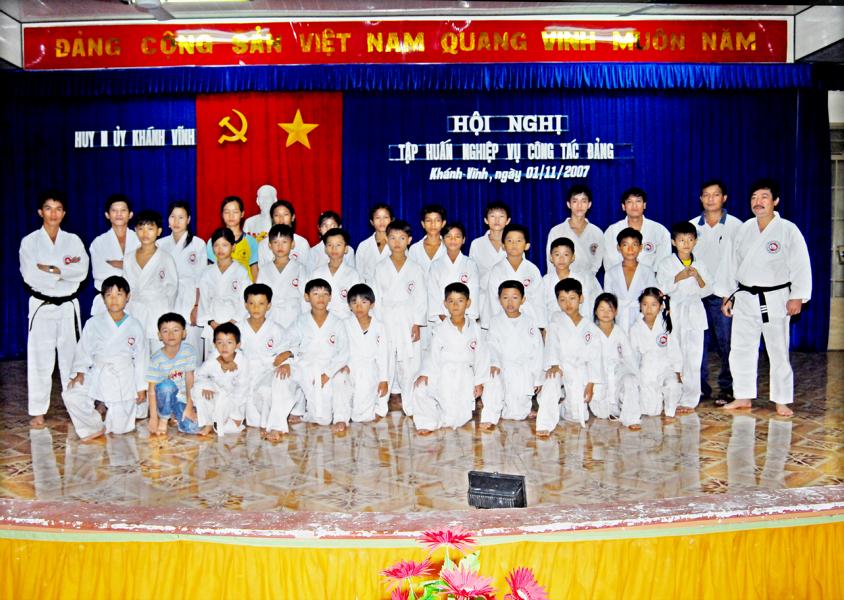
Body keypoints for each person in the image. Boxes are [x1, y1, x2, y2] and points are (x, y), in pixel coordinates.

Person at [715, 179, 812, 417]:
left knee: (778, 350)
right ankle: (743, 396)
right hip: (745, 297)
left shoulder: (788, 230)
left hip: (776, 298)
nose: (758, 202)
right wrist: (727, 295)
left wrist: (797, 296)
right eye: (754, 197)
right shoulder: (743, 229)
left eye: (764, 197)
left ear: (775, 201)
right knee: (740, 348)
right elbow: (730, 264)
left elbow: (800, 264)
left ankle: (782, 400)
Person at [20, 190, 89, 428]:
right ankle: (38, 411)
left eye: (58, 209)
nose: (53, 213)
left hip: (68, 305)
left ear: (64, 213)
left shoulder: (73, 241)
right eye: (48, 208)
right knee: (40, 359)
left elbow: (81, 273)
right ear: (40, 212)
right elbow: (30, 276)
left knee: (72, 359)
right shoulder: (30, 242)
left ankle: (75, 406)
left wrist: (51, 269)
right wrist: (62, 274)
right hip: (42, 305)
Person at [63, 276, 148, 441]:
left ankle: (114, 419)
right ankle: (92, 425)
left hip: (123, 376)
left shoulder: (135, 325)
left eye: (119, 294)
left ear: (128, 297)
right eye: (109, 295)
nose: (114, 299)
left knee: (119, 430)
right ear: (103, 298)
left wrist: (141, 387)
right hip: (98, 371)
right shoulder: (93, 323)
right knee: (72, 394)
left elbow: (141, 359)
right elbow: (83, 349)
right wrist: (79, 371)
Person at [689, 179, 742, 403]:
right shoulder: (692, 226)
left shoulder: (737, 226)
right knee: (696, 344)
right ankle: (700, 387)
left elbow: (741, 262)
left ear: (724, 198)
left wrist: (732, 294)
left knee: (727, 344)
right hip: (696, 296)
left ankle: (728, 388)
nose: (711, 199)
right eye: (706, 195)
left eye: (716, 194)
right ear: (700, 198)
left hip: (724, 296)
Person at [413, 283, 489, 433]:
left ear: (468, 303)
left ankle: (442, 417)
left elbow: (481, 356)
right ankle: (427, 422)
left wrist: (479, 382)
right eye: (451, 301)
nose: (455, 305)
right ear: (445, 304)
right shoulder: (440, 328)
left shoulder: (475, 328)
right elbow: (432, 354)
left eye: (460, 300)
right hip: (444, 373)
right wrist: (425, 373)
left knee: (457, 420)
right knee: (419, 387)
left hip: (465, 375)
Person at [373, 220, 427, 416]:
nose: (397, 242)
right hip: (386, 317)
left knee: (410, 362)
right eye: (393, 238)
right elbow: (376, 297)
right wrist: (377, 323)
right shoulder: (380, 267)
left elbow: (420, 297)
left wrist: (417, 323)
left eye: (402, 238)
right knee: (385, 358)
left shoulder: (415, 268)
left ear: (409, 240)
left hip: (407, 317)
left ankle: (410, 403)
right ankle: (381, 404)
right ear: (386, 239)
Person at [657, 222, 712, 413]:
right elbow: (661, 288)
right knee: (674, 355)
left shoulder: (700, 264)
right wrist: (677, 277)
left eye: (690, 239)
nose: (686, 244)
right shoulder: (666, 264)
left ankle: (690, 398)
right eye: (681, 240)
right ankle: (673, 395)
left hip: (694, 310)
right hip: (675, 311)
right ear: (674, 242)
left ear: (695, 241)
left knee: (694, 357)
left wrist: (698, 277)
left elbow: (708, 289)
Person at [537, 278, 602, 435]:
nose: (568, 304)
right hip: (560, 365)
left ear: (581, 298)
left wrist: (591, 383)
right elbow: (552, 343)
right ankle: (545, 423)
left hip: (580, 370)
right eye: (562, 300)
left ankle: (563, 407)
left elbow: (595, 357)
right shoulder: (556, 319)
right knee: (552, 380)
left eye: (572, 298)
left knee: (577, 417)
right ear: (557, 302)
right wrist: (554, 364)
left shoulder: (590, 326)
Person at [286, 278, 352, 433]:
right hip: (307, 366)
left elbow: (344, 352)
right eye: (316, 294)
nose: (321, 298)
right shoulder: (300, 321)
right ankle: (301, 410)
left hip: (330, 366)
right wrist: (291, 356)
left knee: (341, 378)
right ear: (307, 297)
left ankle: (340, 418)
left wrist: (328, 373)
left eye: (325, 294)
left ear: (330, 297)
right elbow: (289, 342)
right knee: (322, 419)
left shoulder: (337, 322)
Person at [479, 280, 544, 430]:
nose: (510, 302)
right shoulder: (495, 321)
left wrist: (538, 378)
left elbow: (538, 350)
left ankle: (523, 409)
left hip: (523, 368)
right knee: (492, 379)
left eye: (514, 297)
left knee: (517, 414)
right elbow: (491, 345)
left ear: (523, 299)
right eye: (505, 297)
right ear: (499, 299)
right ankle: (489, 416)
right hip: (502, 366)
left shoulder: (530, 322)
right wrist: (494, 363)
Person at [239, 284, 296, 441]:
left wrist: (286, 362)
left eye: (261, 303)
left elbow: (286, 351)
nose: (256, 308)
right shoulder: (238, 329)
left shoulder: (277, 329)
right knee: (253, 422)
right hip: (244, 375)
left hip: (267, 373)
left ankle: (274, 426)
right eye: (251, 303)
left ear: (269, 305)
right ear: (245, 305)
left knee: (273, 385)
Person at [158, 201, 207, 366]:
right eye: (173, 217)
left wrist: (197, 306)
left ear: (188, 220)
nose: (176, 221)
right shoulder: (160, 244)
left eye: (181, 217)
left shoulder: (198, 244)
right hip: (167, 299)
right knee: (168, 346)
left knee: (191, 348)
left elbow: (202, 279)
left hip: (190, 300)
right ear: (168, 220)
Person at [123, 209, 179, 349]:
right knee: (136, 351)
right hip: (135, 310)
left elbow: (172, 290)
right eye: (141, 228)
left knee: (158, 352)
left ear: (159, 231)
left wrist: (167, 317)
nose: (145, 233)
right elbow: (126, 288)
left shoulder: (166, 258)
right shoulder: (128, 258)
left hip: (158, 311)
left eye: (150, 229)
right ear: (135, 230)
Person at [590, 293, 641, 430]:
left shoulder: (619, 332)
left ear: (616, 311)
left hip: (618, 370)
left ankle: (631, 418)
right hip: (598, 373)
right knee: (602, 413)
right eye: (602, 309)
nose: (606, 313)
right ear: (595, 311)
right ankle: (611, 406)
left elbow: (629, 356)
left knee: (630, 379)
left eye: (610, 309)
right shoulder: (591, 331)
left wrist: (636, 377)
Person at [197, 228, 251, 358]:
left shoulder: (241, 272)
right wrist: (212, 323)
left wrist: (231, 323)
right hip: (213, 325)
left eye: (225, 245)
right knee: (212, 363)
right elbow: (203, 301)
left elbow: (245, 302)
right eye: (216, 245)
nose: (220, 249)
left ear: (233, 247)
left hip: (234, 324)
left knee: (233, 362)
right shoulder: (207, 272)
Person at [629, 287, 682, 418]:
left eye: (653, 305)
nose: (649, 309)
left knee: (673, 385)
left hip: (665, 366)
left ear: (660, 306)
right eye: (645, 304)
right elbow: (632, 356)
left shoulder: (666, 324)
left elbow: (674, 350)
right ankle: (653, 400)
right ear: (640, 306)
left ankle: (670, 410)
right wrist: (634, 375)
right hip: (647, 369)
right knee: (651, 411)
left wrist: (677, 372)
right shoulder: (635, 328)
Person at [192, 322, 251, 436]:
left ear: (237, 345)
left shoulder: (242, 362)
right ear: (214, 344)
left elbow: (243, 388)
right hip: (216, 394)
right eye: (220, 342)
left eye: (229, 342)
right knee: (198, 388)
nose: (224, 347)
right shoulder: (212, 359)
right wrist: (207, 386)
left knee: (229, 428)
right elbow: (199, 374)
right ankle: (209, 422)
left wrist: (234, 414)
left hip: (232, 401)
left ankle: (218, 420)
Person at [145, 313, 200, 436]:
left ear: (184, 333)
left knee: (193, 428)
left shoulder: (189, 351)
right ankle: (164, 418)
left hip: (181, 398)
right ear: (159, 335)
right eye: (165, 331)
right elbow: (152, 389)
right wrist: (153, 418)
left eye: (175, 330)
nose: (171, 335)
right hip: (163, 398)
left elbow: (190, 380)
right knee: (167, 386)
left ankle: (174, 414)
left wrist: (189, 406)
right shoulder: (156, 358)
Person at [344, 283, 391, 422]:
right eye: (354, 302)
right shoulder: (344, 324)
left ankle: (369, 408)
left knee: (362, 414)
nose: (359, 307)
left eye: (364, 302)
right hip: (349, 367)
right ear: (349, 305)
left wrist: (384, 379)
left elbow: (383, 355)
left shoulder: (379, 326)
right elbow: (340, 350)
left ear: (372, 305)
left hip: (370, 370)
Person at [485, 224, 545, 330]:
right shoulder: (497, 270)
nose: (514, 244)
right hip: (502, 322)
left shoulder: (532, 270)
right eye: (509, 240)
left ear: (527, 246)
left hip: (528, 322)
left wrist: (540, 325)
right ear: (503, 245)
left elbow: (539, 300)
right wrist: (498, 324)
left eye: (519, 241)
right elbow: (493, 301)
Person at [89, 193, 139, 315]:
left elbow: (146, 271)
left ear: (130, 214)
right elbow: (100, 273)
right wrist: (132, 265)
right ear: (107, 215)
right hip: (107, 301)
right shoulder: (98, 243)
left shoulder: (140, 239)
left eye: (123, 210)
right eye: (114, 211)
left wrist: (117, 263)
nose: (119, 214)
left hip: (135, 300)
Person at [602, 187, 671, 272]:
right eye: (629, 202)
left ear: (644, 205)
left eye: (638, 201)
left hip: (651, 278)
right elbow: (609, 262)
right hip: (619, 278)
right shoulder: (612, 231)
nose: (634, 206)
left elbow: (663, 263)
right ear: (623, 206)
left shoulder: (660, 231)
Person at [603, 228, 657, 331]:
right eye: (625, 245)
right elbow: (608, 301)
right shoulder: (610, 273)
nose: (630, 249)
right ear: (619, 248)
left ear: (640, 247)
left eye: (634, 245)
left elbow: (652, 299)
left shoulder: (648, 272)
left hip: (641, 319)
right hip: (617, 319)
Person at [256, 224, 309, 329]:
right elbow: (259, 296)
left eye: (284, 242)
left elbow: (305, 298)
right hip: (271, 316)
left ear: (292, 244)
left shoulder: (300, 268)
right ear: (270, 245)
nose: (280, 246)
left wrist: (306, 321)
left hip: (294, 317)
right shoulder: (264, 270)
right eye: (276, 242)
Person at [544, 184, 604, 276]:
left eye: (583, 201)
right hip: (562, 280)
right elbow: (551, 261)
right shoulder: (556, 231)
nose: (579, 205)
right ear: (569, 204)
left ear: (589, 204)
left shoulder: (596, 232)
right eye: (575, 201)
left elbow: (597, 263)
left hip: (588, 280)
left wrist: (588, 279)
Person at [427, 222, 480, 324]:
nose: (453, 240)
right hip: (442, 321)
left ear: (463, 240)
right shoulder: (435, 265)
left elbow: (473, 293)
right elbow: (433, 294)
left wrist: (464, 320)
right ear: (443, 240)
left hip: (465, 321)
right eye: (448, 236)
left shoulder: (470, 264)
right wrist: (445, 320)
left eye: (457, 236)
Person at [469, 201, 510, 324]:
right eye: (492, 216)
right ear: (486, 220)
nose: (496, 220)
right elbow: (472, 276)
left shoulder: (513, 243)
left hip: (508, 300)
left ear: (507, 220)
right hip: (482, 301)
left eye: (501, 216)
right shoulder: (477, 244)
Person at [309, 228, 363, 320]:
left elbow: (357, 303)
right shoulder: (317, 273)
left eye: (338, 245)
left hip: (345, 320)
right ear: (325, 249)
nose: (334, 249)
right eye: (330, 245)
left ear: (346, 249)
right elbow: (310, 300)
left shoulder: (353, 275)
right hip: (321, 319)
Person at [542, 237, 601, 320]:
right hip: (553, 324)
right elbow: (541, 307)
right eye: (557, 254)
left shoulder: (580, 280)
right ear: (551, 258)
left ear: (573, 257)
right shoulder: (545, 280)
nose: (561, 259)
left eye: (566, 254)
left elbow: (586, 308)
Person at [205, 196, 260, 281]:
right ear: (222, 214)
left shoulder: (251, 242)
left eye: (235, 212)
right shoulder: (213, 241)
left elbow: (254, 270)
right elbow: (210, 270)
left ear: (242, 214)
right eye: (227, 212)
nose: (231, 216)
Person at [257, 199, 311, 267]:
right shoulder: (263, 244)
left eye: (285, 214)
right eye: (277, 215)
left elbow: (307, 269)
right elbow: (261, 270)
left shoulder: (302, 242)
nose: (281, 219)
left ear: (293, 217)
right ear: (272, 219)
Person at [355, 203, 394, 284]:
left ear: (391, 220)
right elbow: (358, 274)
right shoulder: (363, 246)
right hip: (368, 290)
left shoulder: (398, 244)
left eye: (385, 217)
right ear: (372, 222)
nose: (382, 221)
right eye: (377, 218)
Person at [408, 204, 447, 273]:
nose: (433, 224)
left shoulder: (449, 248)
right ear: (423, 224)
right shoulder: (414, 249)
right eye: (428, 220)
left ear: (443, 223)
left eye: (437, 220)